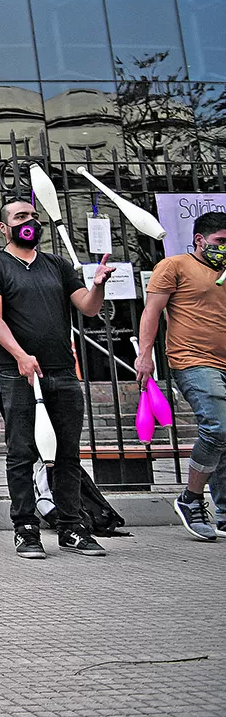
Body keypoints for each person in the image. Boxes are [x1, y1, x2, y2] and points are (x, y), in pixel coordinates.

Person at [0, 197, 113, 560]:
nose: (30, 222)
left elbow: (89, 306)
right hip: (18, 374)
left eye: (34, 216)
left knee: (67, 454)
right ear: (3, 227)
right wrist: (20, 356)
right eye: (21, 217)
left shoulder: (58, 264)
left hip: (63, 372)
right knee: (21, 453)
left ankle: (72, 527)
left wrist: (97, 284)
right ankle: (26, 529)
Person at [136, 211, 226, 541]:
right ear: (199, 240)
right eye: (220, 242)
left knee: (225, 436)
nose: (225, 248)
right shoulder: (173, 266)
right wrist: (145, 356)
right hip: (193, 361)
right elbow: (152, 312)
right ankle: (190, 499)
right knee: (218, 426)